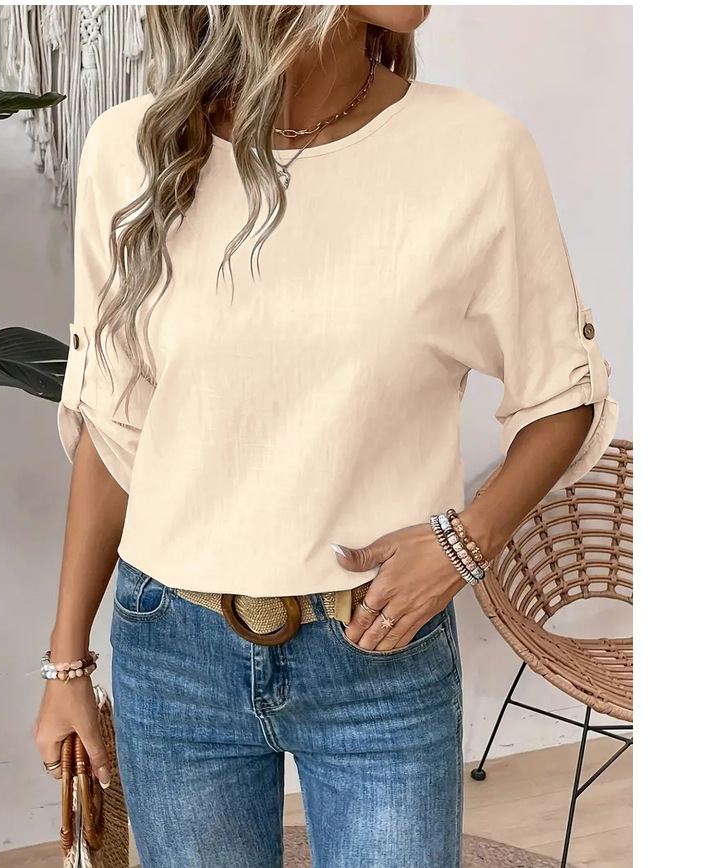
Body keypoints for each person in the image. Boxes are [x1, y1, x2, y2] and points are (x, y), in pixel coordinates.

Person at [33, 5, 619, 867]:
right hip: (172, 649)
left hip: (378, 650)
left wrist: (465, 543)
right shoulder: (132, 149)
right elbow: (114, 429)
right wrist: (66, 667)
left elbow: (563, 392)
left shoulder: (477, 151)